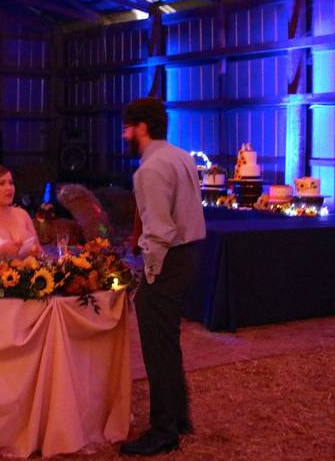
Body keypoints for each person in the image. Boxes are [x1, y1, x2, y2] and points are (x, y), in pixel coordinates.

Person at [119, 98, 205, 457]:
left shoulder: (150, 170)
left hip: (167, 262)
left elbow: (159, 230)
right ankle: (178, 416)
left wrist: (149, 273)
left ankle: (163, 430)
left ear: (141, 128)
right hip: (188, 256)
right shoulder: (181, 156)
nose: (124, 134)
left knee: (158, 347)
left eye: (127, 127)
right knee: (168, 343)